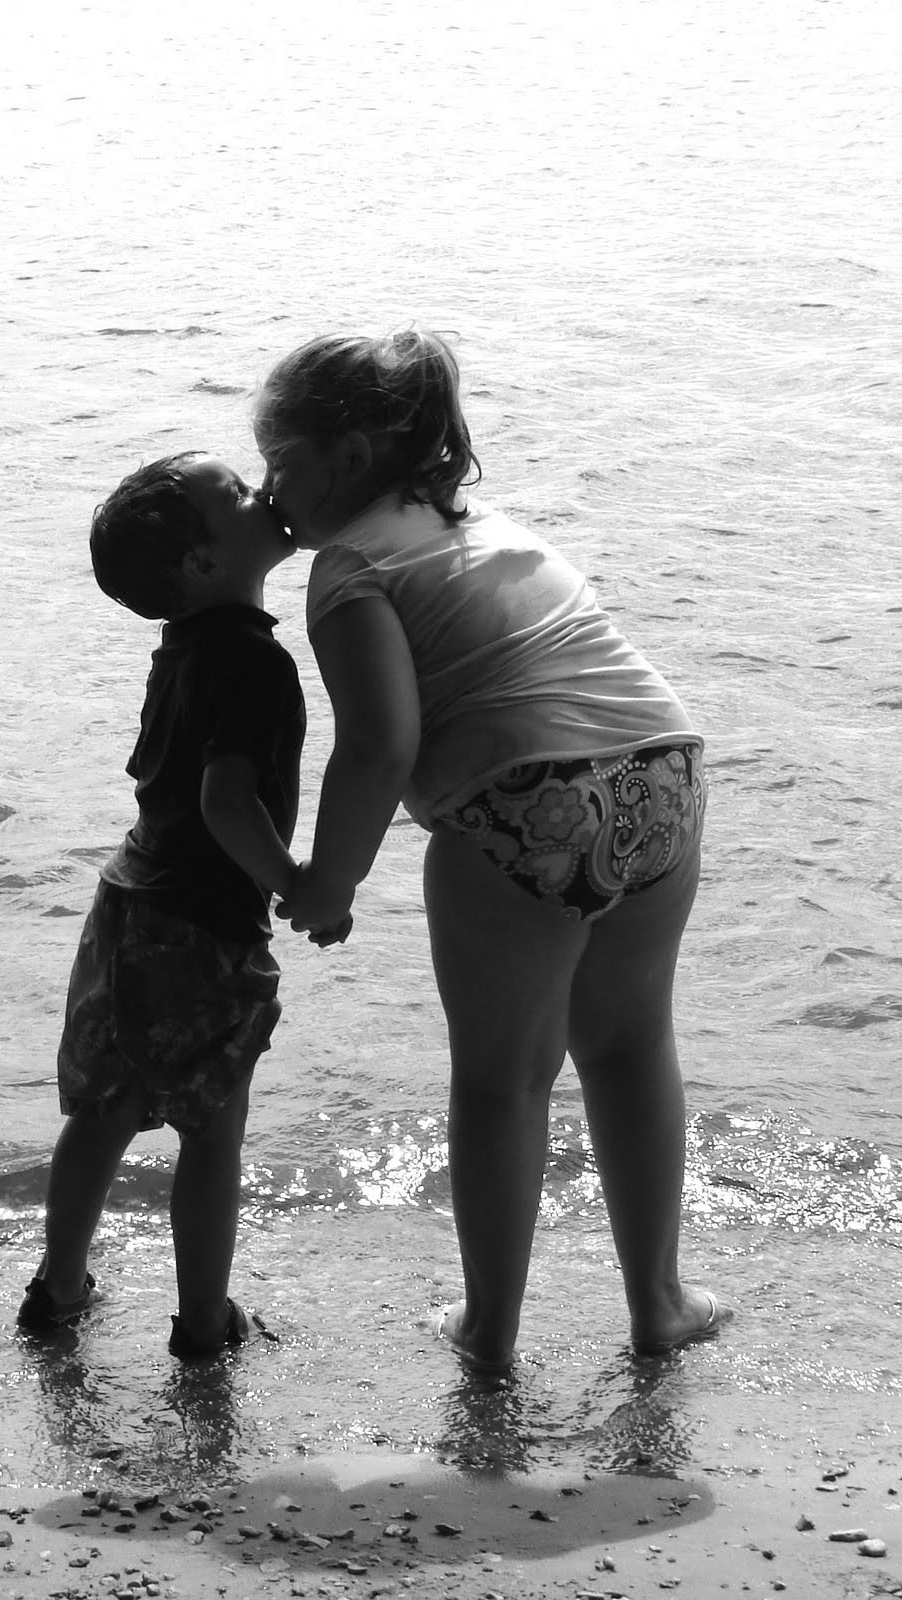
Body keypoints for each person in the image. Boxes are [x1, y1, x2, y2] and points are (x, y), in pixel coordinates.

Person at [255, 330, 731, 1370]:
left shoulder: (349, 566)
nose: (266, 488)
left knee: (502, 1081)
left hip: (530, 802)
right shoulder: (484, 527)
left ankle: (491, 1332)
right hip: (663, 769)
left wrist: (330, 882)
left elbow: (380, 745)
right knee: (629, 1045)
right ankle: (659, 1303)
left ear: (346, 453)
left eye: (278, 460)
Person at [18, 451, 333, 1353]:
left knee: (103, 1112)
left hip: (129, 906)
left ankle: (60, 1288)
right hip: (199, 926)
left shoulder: (186, 649)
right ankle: (202, 1324)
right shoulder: (254, 660)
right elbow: (227, 803)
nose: (261, 489)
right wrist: (300, 885)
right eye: (235, 493)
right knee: (212, 1129)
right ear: (202, 562)